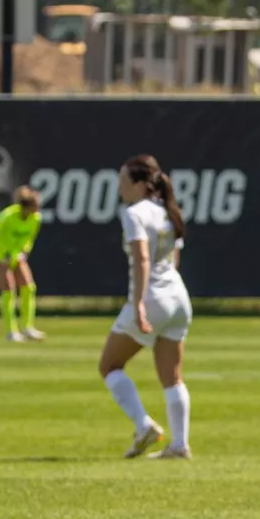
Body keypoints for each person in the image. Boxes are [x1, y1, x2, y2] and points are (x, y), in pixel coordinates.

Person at [97, 155, 193, 460]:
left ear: (139, 184)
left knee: (109, 366)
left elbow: (142, 259)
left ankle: (144, 425)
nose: (120, 187)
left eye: (124, 180)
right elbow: (172, 260)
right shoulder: (168, 211)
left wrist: (138, 304)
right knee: (172, 376)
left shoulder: (134, 213)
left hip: (152, 298)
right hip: (178, 297)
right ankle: (179, 444)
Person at [0, 185, 46, 343]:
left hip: (15, 255)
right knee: (9, 289)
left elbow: (28, 240)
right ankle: (12, 331)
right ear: (26, 206)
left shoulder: (36, 218)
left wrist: (23, 253)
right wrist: (6, 255)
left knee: (28, 287)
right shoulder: (7, 217)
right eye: (35, 205)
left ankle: (28, 328)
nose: (38, 208)